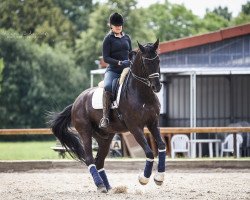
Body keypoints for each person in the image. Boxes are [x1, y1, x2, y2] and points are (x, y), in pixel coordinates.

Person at [99, 12, 132, 129]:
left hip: (127, 68)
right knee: (108, 86)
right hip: (113, 70)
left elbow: (130, 53)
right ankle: (105, 117)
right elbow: (106, 58)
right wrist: (119, 62)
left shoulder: (127, 38)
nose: (118, 27)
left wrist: (131, 61)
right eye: (116, 25)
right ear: (111, 26)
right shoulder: (108, 39)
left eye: (120, 25)